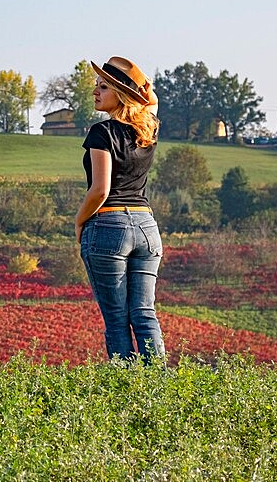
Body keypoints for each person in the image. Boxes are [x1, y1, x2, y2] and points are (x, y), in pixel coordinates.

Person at [75, 56, 164, 363]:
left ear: (121, 94)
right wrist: (144, 88)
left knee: (115, 319)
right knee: (144, 314)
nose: (95, 92)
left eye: (103, 87)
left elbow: (100, 190)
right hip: (147, 228)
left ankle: (125, 390)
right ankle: (159, 387)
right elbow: (151, 101)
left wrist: (79, 221)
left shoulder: (102, 132)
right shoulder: (147, 129)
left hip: (108, 227)